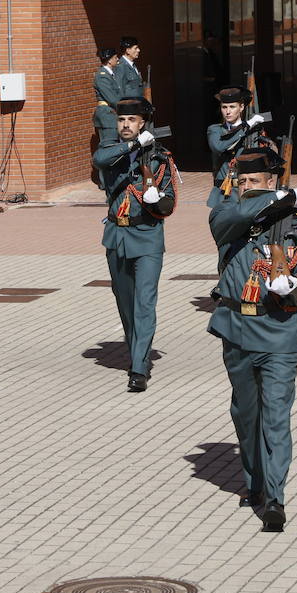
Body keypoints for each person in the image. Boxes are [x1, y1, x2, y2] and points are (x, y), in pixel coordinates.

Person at [206, 146, 297, 532]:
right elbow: (234, 216)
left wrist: (292, 288)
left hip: (278, 332)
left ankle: (274, 498)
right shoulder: (227, 215)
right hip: (236, 328)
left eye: (255, 181)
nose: (246, 188)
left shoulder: (293, 223)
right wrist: (277, 198)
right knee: (246, 412)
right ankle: (254, 481)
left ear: (271, 180)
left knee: (275, 417)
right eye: (242, 182)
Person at [92, 96, 177, 393]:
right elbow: (99, 161)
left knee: (144, 303)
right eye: (121, 120)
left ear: (143, 124)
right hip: (117, 236)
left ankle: (139, 366)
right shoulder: (110, 150)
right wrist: (132, 146)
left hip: (148, 236)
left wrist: (158, 200)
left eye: (131, 120)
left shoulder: (159, 157)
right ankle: (135, 347)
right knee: (125, 303)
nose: (125, 125)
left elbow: (170, 201)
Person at [207, 86, 267, 208]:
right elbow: (219, 147)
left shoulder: (253, 130)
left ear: (241, 107)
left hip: (249, 191)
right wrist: (247, 126)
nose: (228, 111)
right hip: (224, 194)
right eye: (224, 107)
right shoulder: (215, 130)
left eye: (232, 107)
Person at [92, 48, 121, 148]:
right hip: (107, 116)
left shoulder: (110, 74)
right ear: (109, 60)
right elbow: (112, 99)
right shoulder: (102, 76)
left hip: (112, 114)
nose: (118, 59)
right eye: (115, 57)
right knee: (110, 147)